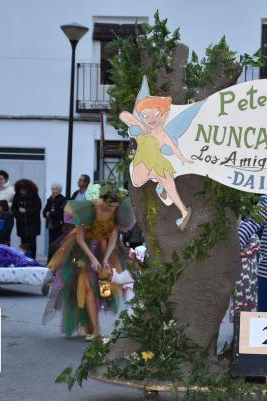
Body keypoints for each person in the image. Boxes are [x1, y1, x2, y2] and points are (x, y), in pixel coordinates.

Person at [42, 182, 135, 340]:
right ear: (103, 201)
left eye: (116, 206)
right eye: (111, 206)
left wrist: (105, 258)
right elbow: (79, 237)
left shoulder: (116, 212)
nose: (113, 209)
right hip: (82, 250)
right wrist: (92, 258)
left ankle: (89, 325)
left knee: (104, 289)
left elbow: (113, 237)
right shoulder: (89, 209)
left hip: (105, 249)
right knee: (87, 288)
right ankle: (95, 330)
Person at [120, 96, 193, 230]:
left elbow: (174, 148)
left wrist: (182, 159)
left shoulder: (164, 135)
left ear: (163, 115)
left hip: (157, 165)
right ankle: (161, 187)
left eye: (156, 114)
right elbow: (124, 115)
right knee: (160, 172)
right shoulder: (142, 131)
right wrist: (140, 124)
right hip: (140, 168)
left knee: (166, 174)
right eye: (146, 116)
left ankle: (183, 211)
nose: (151, 118)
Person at [11, 179, 42, 260]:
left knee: (32, 243)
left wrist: (26, 211)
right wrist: (18, 215)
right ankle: (24, 259)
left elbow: (38, 208)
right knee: (23, 243)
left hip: (33, 224)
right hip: (21, 224)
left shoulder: (34, 196)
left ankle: (32, 259)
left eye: (24, 189)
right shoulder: (16, 196)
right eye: (21, 189)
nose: (22, 191)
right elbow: (13, 209)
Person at [43, 183, 67, 261]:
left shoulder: (63, 200)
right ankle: (50, 260)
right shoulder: (50, 199)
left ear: (60, 190)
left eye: (55, 189)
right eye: (52, 189)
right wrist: (47, 213)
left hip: (58, 226)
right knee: (51, 244)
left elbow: (61, 213)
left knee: (57, 244)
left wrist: (50, 213)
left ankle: (56, 261)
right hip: (51, 226)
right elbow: (44, 212)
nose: (53, 191)